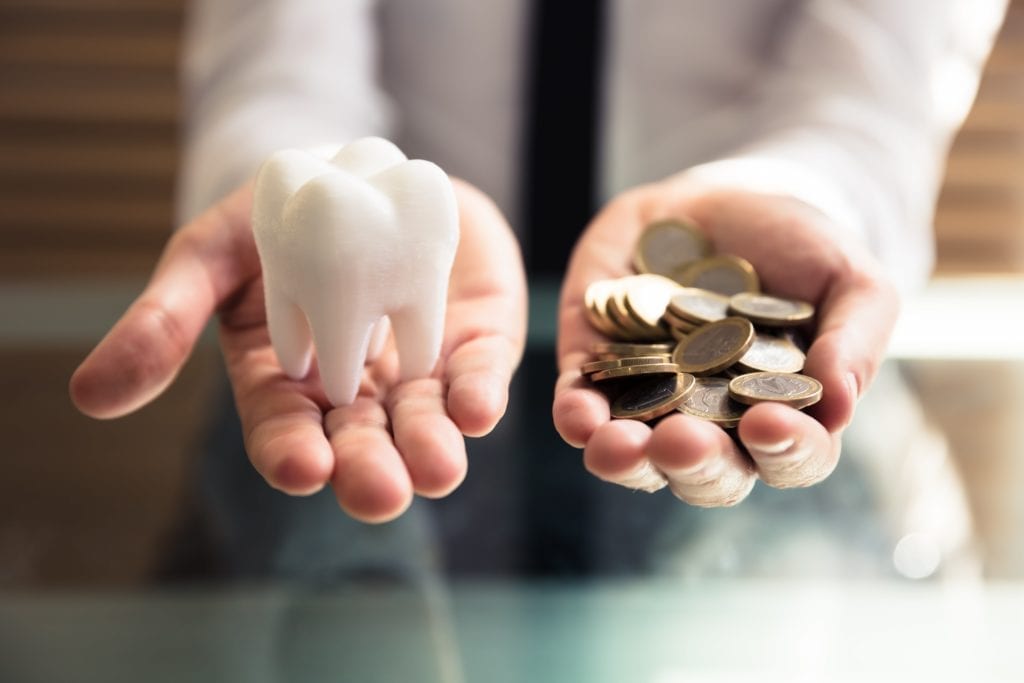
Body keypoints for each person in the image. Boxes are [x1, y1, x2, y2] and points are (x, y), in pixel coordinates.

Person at [70, 1, 1006, 575]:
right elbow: (279, 59)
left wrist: (805, 201)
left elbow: (874, 91)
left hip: (808, 553)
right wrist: (294, 185)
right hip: (396, 315)